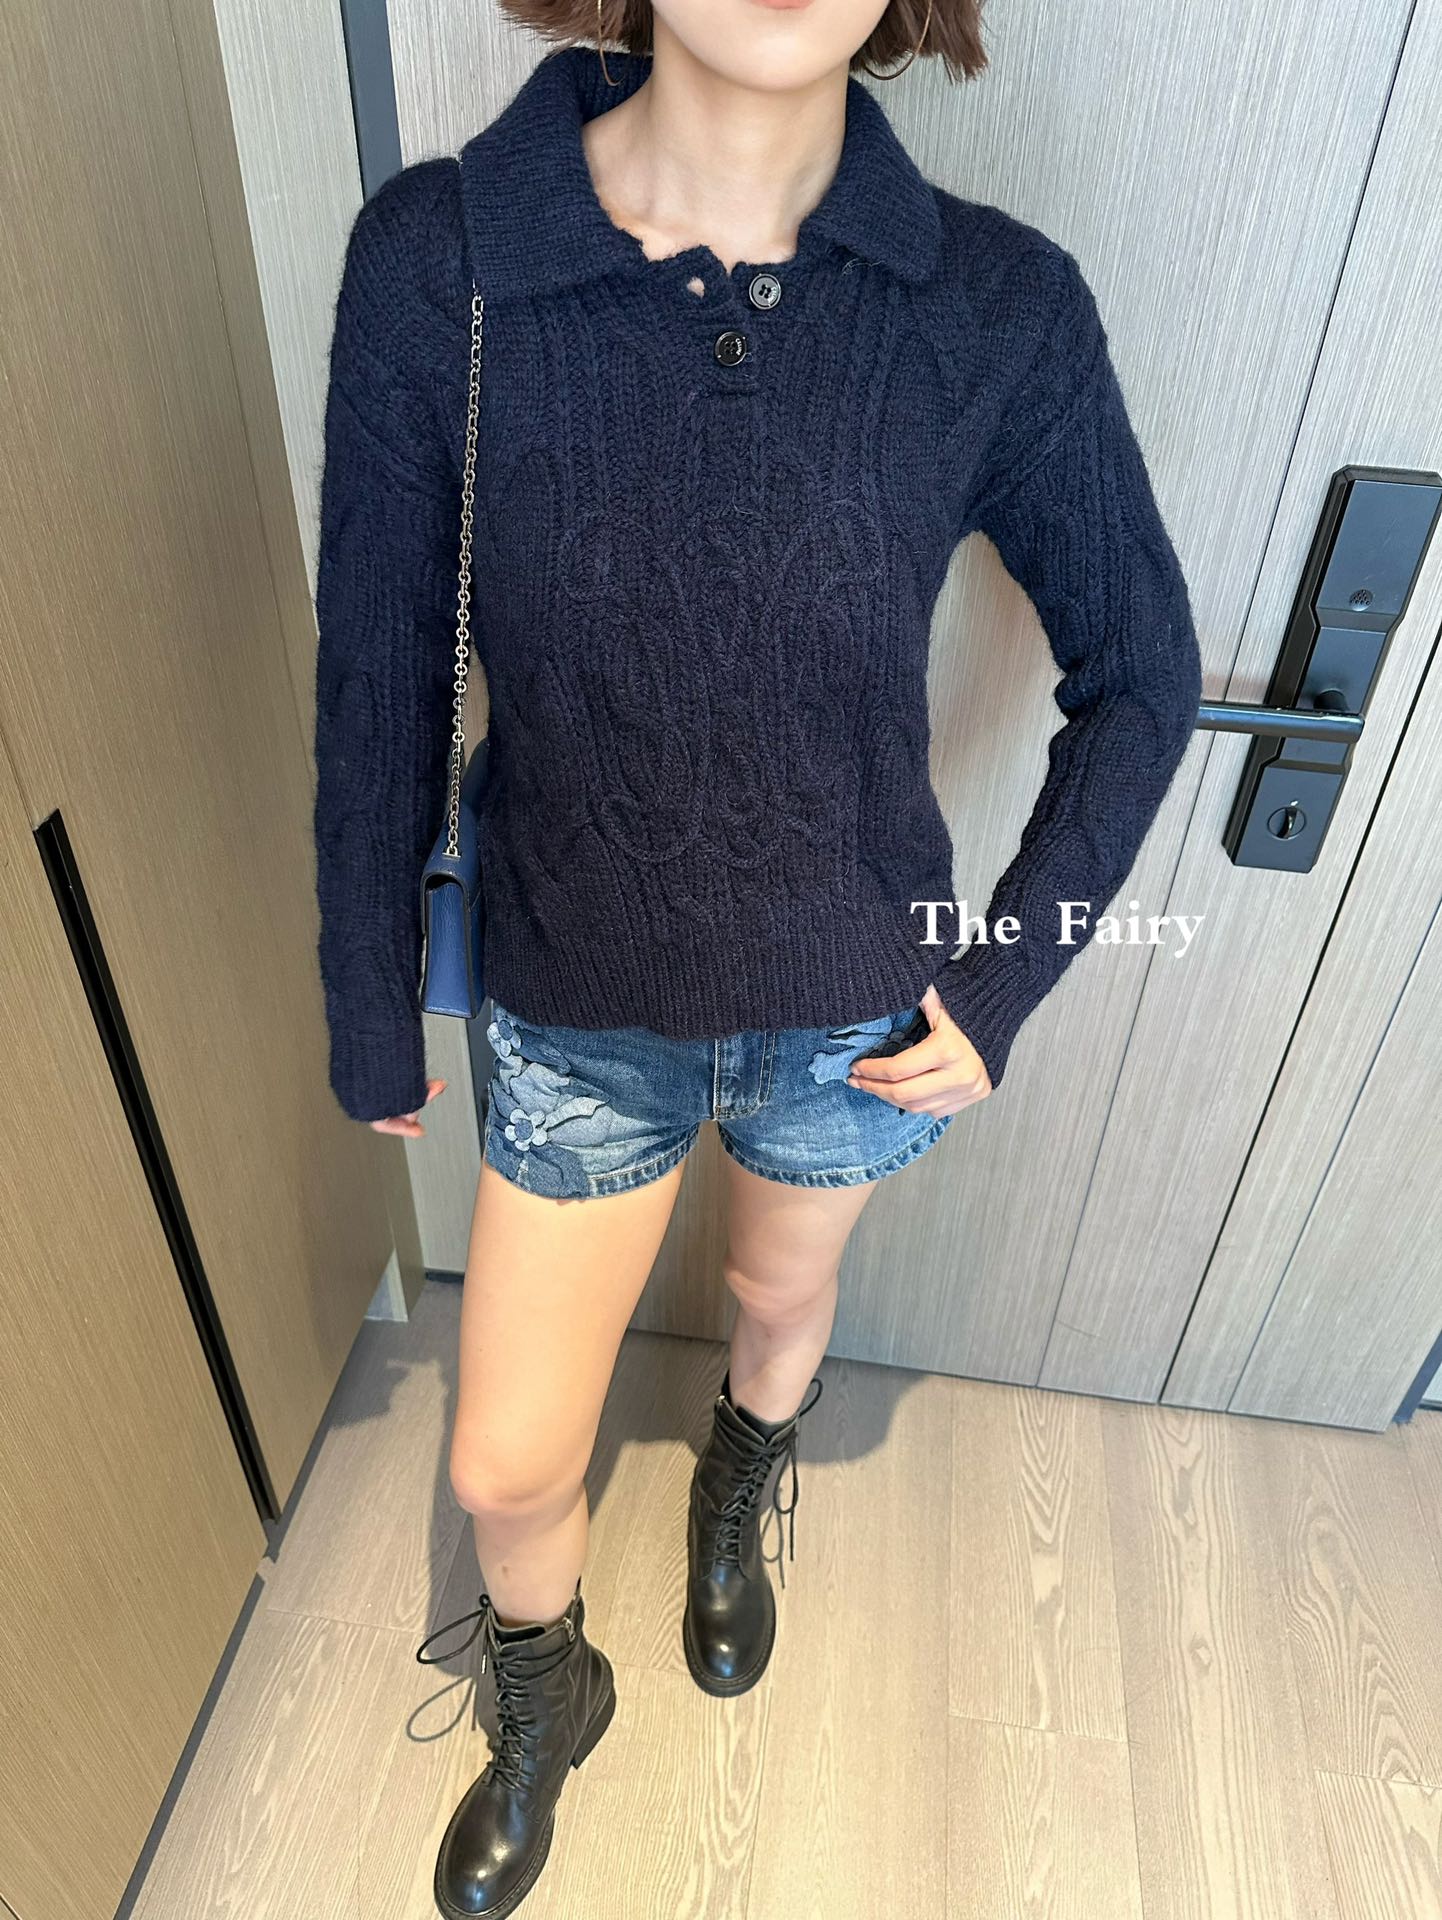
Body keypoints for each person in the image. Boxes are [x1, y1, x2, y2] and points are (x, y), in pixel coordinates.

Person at [312, 1, 1202, 1913]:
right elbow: (376, 661)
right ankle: (544, 1686)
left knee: (778, 1305)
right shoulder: (446, 259)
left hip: (852, 1003)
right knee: (503, 1466)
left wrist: (1009, 974)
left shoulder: (993, 304)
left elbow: (1142, 673)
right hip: (574, 998)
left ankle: (736, 1481)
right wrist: (363, 987)